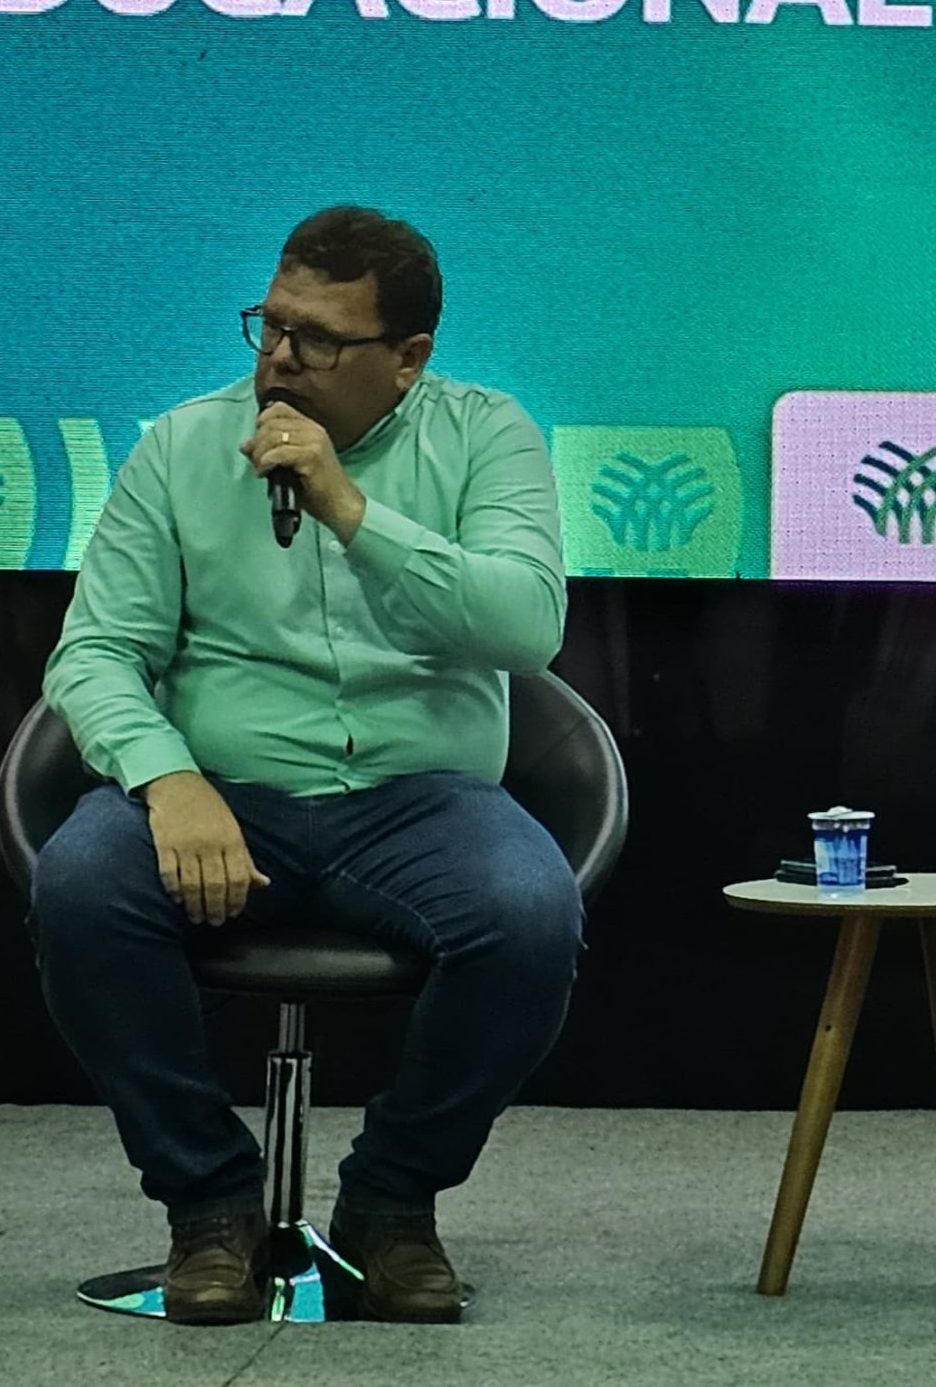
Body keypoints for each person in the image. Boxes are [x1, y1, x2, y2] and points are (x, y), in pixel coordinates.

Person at [32, 206, 579, 1326]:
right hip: (222, 789)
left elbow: (527, 626)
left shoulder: (486, 433)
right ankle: (209, 1207)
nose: (280, 358)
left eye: (319, 339)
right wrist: (169, 779)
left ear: (408, 358)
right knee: (81, 884)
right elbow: (95, 652)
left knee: (530, 914)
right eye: (271, 326)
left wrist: (349, 509)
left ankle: (391, 1204)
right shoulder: (182, 445)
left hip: (420, 800)